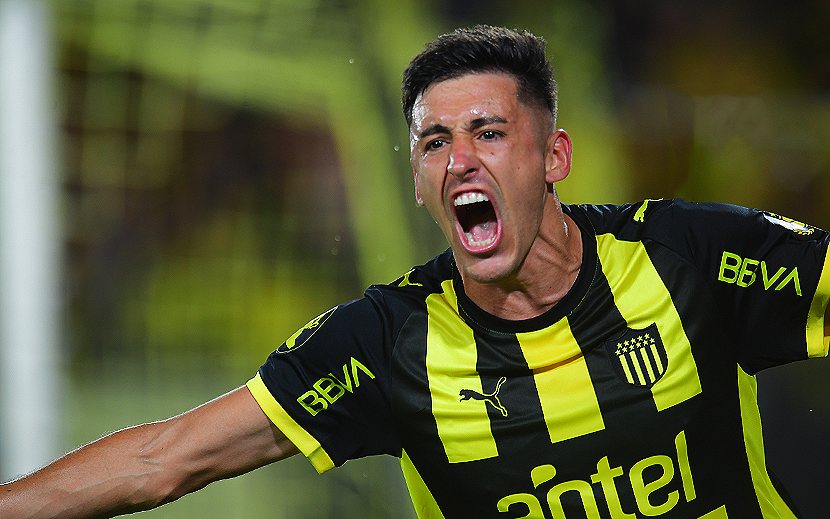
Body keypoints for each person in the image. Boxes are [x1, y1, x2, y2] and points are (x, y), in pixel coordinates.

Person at [2, 24, 829, 519]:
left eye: (489, 132)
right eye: (435, 142)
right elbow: (163, 459)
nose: (460, 159)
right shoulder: (388, 341)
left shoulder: (687, 258)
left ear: (555, 157)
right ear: (416, 179)